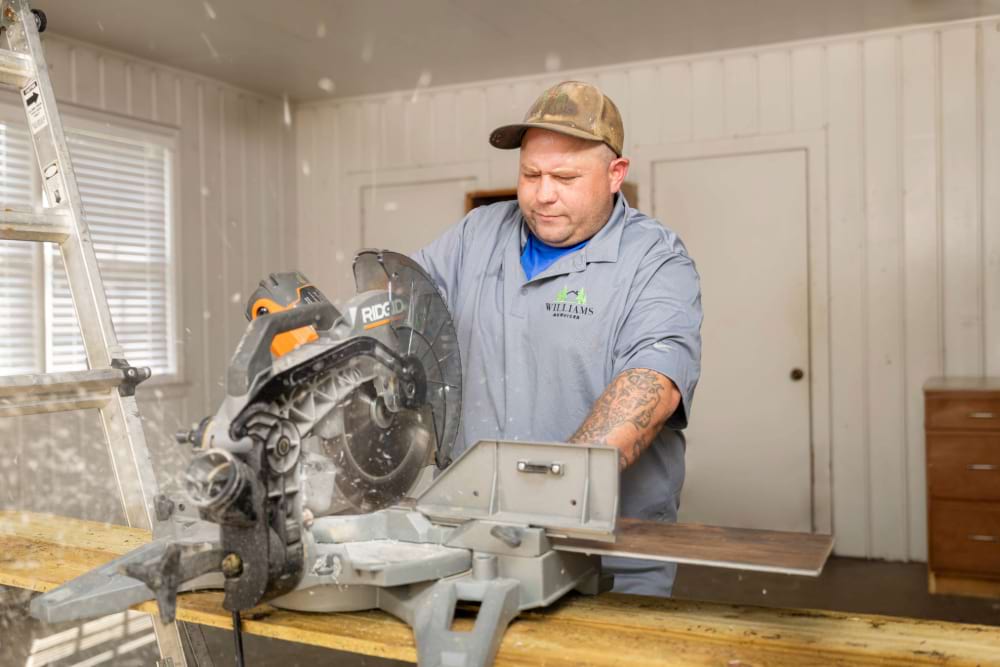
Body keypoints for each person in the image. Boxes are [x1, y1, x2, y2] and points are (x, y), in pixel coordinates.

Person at [413, 80, 702, 596]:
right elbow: (404, 310)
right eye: (531, 174)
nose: (543, 194)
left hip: (607, 555)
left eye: (566, 177)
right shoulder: (477, 234)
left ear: (615, 174)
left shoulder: (655, 260)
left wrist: (546, 497)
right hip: (477, 541)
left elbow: (652, 383)